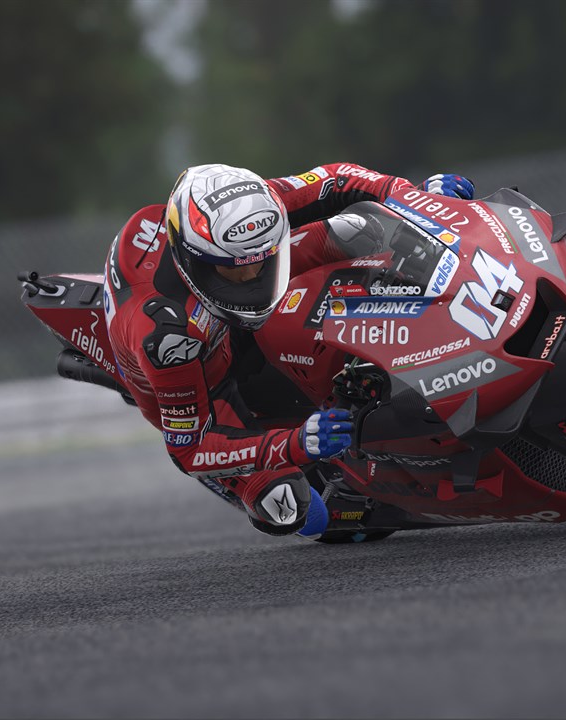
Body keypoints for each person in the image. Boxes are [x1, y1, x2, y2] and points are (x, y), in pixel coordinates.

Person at [103, 163, 475, 538]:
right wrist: (297, 444)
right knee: (290, 507)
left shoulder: (250, 207)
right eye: (233, 273)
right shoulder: (167, 341)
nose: (252, 281)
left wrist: (415, 197)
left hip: (215, 296)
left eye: (261, 264)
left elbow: (337, 178)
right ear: (193, 261)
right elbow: (190, 451)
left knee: (360, 231)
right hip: (207, 385)